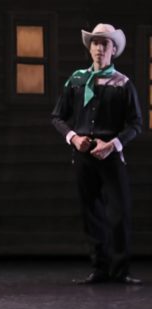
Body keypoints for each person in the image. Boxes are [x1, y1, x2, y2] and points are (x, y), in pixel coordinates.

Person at [51, 23, 143, 285]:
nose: (99, 48)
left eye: (105, 43)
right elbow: (57, 117)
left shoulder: (122, 83)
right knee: (91, 212)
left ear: (113, 50)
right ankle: (100, 268)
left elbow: (136, 124)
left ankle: (120, 270)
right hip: (83, 154)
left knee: (119, 212)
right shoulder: (76, 80)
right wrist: (74, 138)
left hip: (110, 155)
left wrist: (113, 144)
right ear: (90, 48)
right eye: (95, 43)